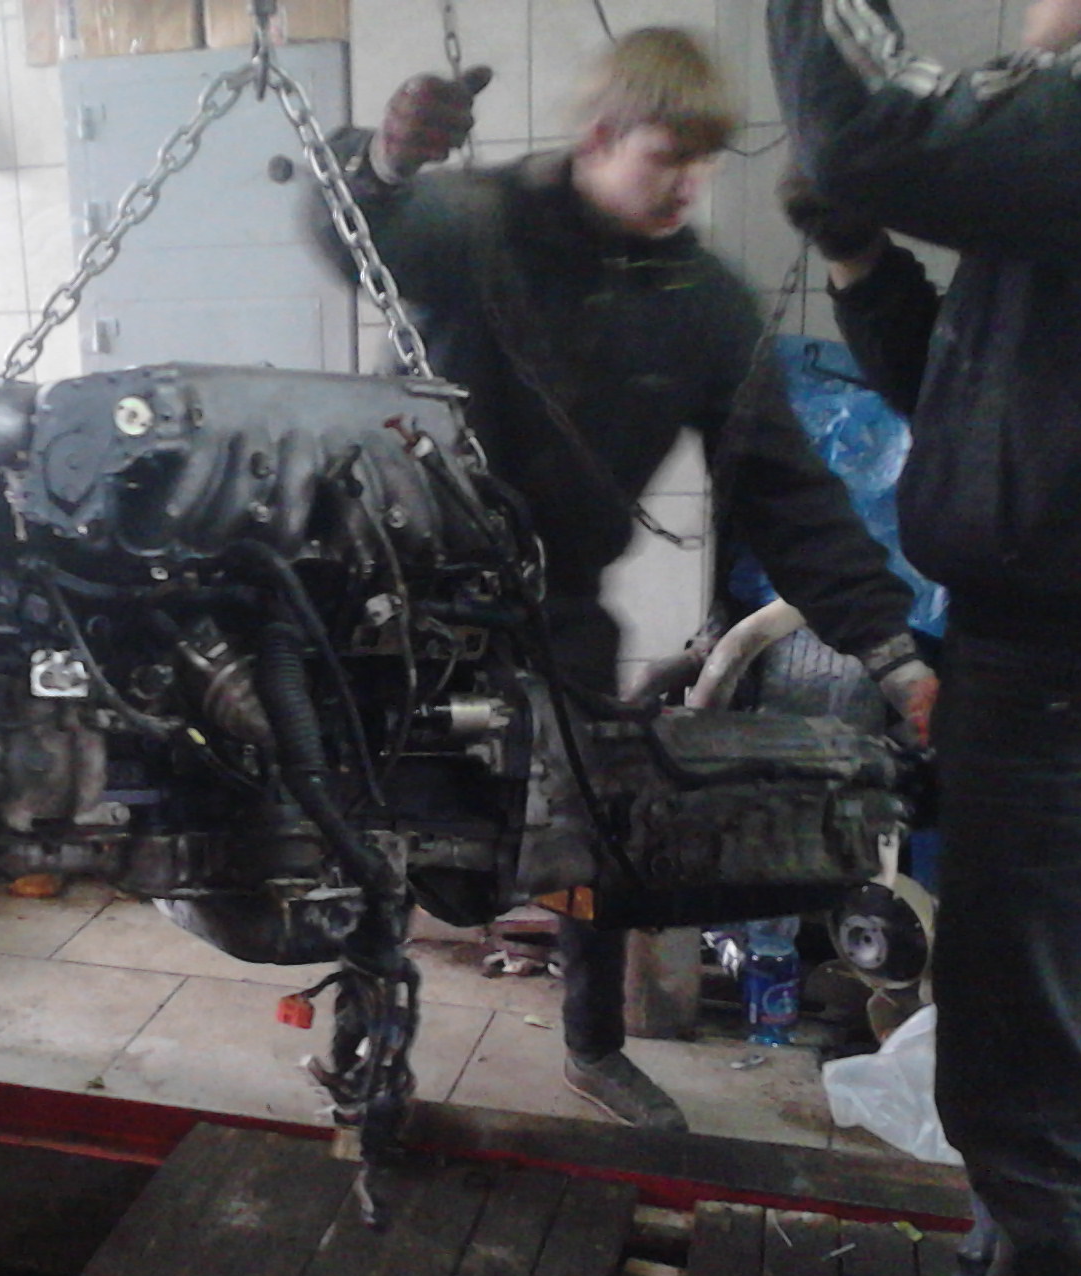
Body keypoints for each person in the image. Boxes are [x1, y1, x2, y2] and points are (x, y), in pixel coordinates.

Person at [319, 28, 931, 1132]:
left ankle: (591, 1046)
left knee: (587, 832)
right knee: (374, 832)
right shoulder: (476, 224)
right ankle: (364, 1049)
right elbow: (352, 231)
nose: (689, 187)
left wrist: (893, 658)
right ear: (600, 137)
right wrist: (388, 160)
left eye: (704, 162)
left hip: (557, 609)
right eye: (667, 158)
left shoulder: (703, 302)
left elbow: (784, 490)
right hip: (404, 600)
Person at [771, 1, 1081, 1276]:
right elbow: (961, 387)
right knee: (1018, 1024)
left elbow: (869, 121)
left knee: (1031, 1066)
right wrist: (862, 260)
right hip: (1058, 660)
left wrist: (851, 142)